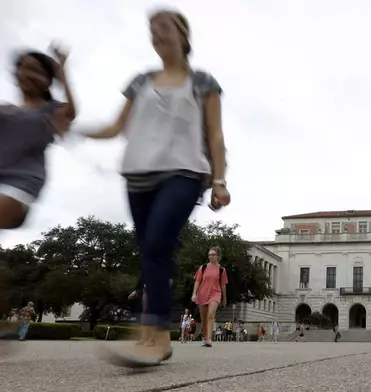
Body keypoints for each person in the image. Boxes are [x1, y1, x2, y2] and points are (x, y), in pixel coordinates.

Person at [84, 10, 230, 367]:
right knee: (150, 254)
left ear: (182, 34)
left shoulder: (203, 82)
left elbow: (215, 134)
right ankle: (152, 334)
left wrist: (219, 180)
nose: (157, 35)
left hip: (184, 172)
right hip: (138, 174)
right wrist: (74, 127)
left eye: (163, 28)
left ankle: (156, 334)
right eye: (151, 30)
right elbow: (116, 126)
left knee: (158, 242)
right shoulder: (140, 81)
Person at [0, 46, 76, 229]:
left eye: (35, 70)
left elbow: (72, 111)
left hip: (20, 183)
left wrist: (63, 73)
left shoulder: (50, 111)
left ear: (48, 81)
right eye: (23, 67)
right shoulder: (4, 111)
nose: (27, 73)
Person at [192, 247, 228, 347]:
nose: (210, 256)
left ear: (218, 256)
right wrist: (194, 294)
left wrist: (224, 298)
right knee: (204, 319)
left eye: (213, 254)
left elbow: (223, 285)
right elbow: (198, 281)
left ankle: (209, 339)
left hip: (215, 293)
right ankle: (205, 337)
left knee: (211, 314)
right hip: (203, 294)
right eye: (209, 255)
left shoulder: (222, 270)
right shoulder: (202, 268)